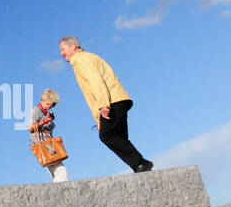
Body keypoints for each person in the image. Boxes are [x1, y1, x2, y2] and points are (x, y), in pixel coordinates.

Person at [59, 37, 153, 173]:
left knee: (107, 136)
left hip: (112, 101)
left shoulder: (81, 59)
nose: (61, 53)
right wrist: (98, 120)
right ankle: (140, 167)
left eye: (63, 49)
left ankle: (141, 163)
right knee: (120, 138)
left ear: (73, 47)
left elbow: (96, 81)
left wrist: (103, 105)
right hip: (119, 99)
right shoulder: (85, 58)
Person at [28, 89, 69, 182]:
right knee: (61, 170)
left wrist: (49, 119)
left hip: (47, 143)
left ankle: (59, 191)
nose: (53, 106)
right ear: (48, 100)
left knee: (56, 171)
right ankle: (62, 191)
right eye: (53, 103)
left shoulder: (44, 111)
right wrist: (45, 121)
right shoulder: (36, 110)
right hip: (43, 144)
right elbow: (30, 127)